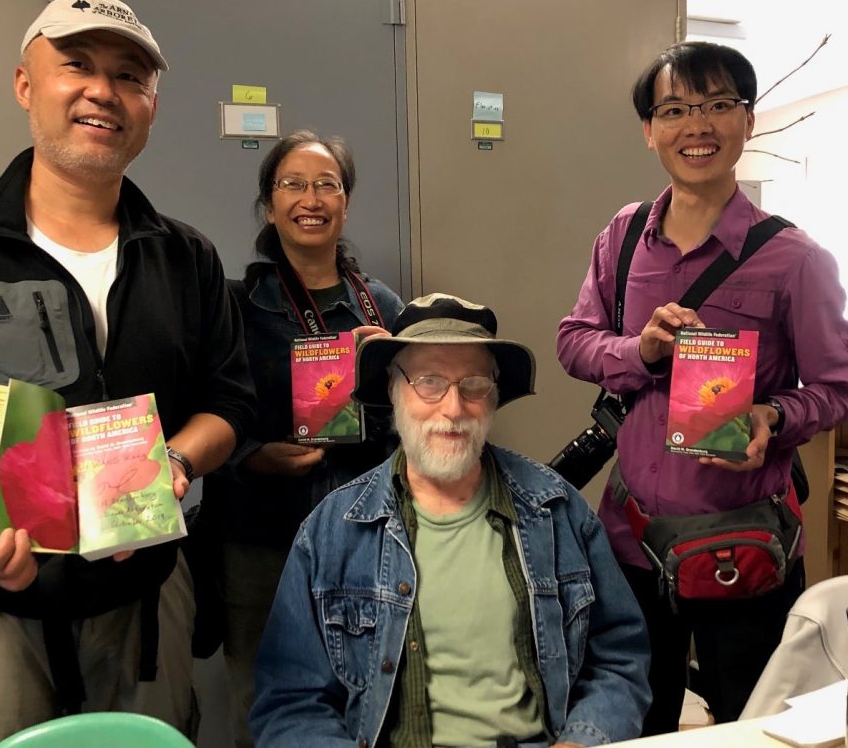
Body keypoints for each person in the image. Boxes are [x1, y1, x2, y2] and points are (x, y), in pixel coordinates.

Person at [0, 0, 256, 745]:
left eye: (128, 76)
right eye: (76, 65)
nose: (102, 91)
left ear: (150, 105)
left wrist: (176, 459)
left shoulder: (185, 255)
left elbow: (231, 401)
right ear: (26, 83)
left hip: (145, 601)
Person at [556, 41, 848, 732]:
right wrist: (640, 349)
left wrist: (773, 417)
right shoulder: (623, 237)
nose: (697, 125)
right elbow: (573, 340)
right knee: (634, 716)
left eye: (719, 105)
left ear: (747, 121)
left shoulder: (796, 258)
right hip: (633, 543)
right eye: (675, 109)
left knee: (755, 724)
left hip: (747, 544)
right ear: (650, 129)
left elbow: (841, 387)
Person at [251, 293, 651, 748]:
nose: (453, 408)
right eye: (429, 381)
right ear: (391, 389)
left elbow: (620, 657)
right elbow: (290, 704)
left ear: (495, 395)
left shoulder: (558, 511)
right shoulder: (332, 531)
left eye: (474, 384)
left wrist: (583, 739)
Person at [210, 129, 403, 748]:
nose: (311, 197)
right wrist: (250, 458)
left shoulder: (382, 308)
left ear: (345, 203)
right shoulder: (236, 306)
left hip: (362, 535)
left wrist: (394, 370)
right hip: (260, 536)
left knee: (369, 692)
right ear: (270, 205)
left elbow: (415, 423)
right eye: (293, 184)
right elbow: (211, 409)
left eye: (327, 184)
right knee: (265, 700)